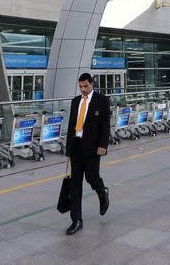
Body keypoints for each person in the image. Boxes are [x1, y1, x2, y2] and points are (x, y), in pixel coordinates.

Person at [64, 73, 110, 235]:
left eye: (86, 86)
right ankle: (76, 220)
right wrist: (68, 147)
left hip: (92, 148)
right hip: (76, 147)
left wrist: (103, 145)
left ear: (92, 84)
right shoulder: (75, 101)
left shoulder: (102, 100)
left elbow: (105, 125)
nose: (83, 89)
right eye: (80, 86)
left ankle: (101, 191)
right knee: (75, 185)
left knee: (91, 177)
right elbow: (71, 125)